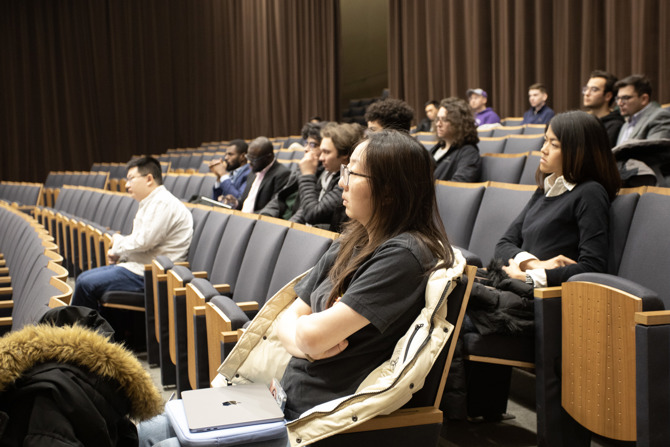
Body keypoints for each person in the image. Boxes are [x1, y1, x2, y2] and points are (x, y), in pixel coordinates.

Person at [138, 130, 456, 446]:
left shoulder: (404, 255)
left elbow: (308, 333)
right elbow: (292, 323)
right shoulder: (353, 239)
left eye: (353, 172)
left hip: (314, 422)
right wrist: (305, 339)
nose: (342, 181)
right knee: (147, 430)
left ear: (389, 190)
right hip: (277, 399)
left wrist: (305, 334)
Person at [463, 110, 621, 420]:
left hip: (547, 307)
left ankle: (467, 412)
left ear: (578, 151)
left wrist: (533, 275)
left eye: (554, 144)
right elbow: (504, 243)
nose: (543, 149)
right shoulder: (547, 187)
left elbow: (592, 267)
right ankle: (473, 410)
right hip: (518, 291)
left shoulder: (590, 194)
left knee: (458, 312)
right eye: (544, 141)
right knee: (447, 297)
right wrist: (532, 264)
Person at [71, 156, 193, 311]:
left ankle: (78, 333)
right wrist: (121, 252)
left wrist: (117, 246)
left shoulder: (163, 203)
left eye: (131, 179)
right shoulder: (152, 202)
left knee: (85, 284)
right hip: (140, 268)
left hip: (153, 276)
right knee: (83, 279)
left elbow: (143, 242)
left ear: (149, 179)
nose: (127, 185)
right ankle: (94, 332)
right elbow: (143, 241)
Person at [288, 122, 363, 232]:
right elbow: (306, 206)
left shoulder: (346, 181)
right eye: (321, 151)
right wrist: (288, 228)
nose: (321, 158)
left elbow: (313, 214)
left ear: (344, 154)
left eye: (326, 152)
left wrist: (307, 175)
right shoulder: (327, 171)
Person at [260, 122, 325, 220]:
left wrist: (285, 231)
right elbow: (281, 196)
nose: (306, 149)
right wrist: (265, 216)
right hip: (281, 220)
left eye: (313, 145)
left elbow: (305, 211)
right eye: (306, 143)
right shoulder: (300, 168)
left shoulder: (325, 176)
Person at [228, 137, 290, 213]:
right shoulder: (253, 171)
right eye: (248, 158)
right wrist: (235, 203)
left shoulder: (282, 174)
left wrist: (247, 217)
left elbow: (274, 209)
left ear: (268, 157)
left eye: (253, 160)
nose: (249, 163)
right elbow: (246, 202)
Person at [430, 97, 482, 182]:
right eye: (438, 119)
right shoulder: (437, 148)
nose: (438, 124)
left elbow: (458, 186)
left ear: (459, 123)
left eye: (445, 119)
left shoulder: (468, 153)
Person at [582, 70, 624, 147]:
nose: (587, 93)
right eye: (586, 89)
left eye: (594, 90)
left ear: (608, 96)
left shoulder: (615, 125)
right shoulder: (581, 119)